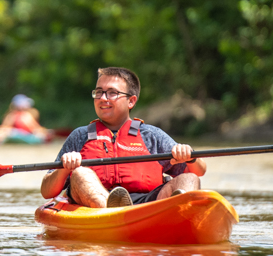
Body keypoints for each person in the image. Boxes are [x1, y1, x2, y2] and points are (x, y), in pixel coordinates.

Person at [40, 67, 206, 208]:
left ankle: (180, 213)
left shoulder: (151, 135)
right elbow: (47, 191)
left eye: (112, 93)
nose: (103, 98)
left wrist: (190, 156)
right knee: (80, 174)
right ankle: (114, 211)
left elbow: (200, 170)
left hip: (146, 205)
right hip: (97, 207)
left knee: (189, 179)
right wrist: (64, 168)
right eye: (99, 92)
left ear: (131, 101)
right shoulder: (80, 136)